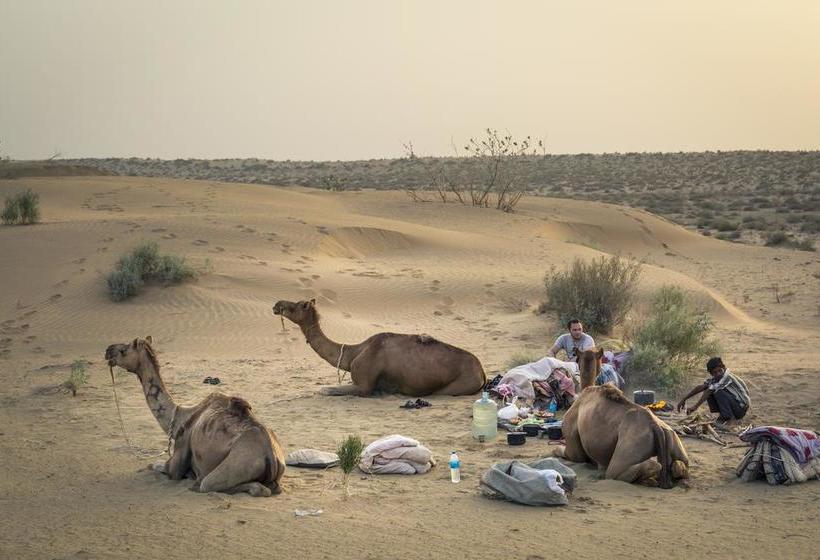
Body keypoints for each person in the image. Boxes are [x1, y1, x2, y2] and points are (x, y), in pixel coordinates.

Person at [676, 357, 750, 426]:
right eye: (715, 372)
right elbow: (701, 387)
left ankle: (730, 419)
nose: (718, 374)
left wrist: (695, 407)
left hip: (741, 409)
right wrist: (684, 399)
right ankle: (724, 416)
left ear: (724, 368)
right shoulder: (716, 379)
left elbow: (709, 390)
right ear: (711, 374)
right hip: (735, 405)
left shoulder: (727, 377)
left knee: (717, 391)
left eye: (720, 370)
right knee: (711, 389)